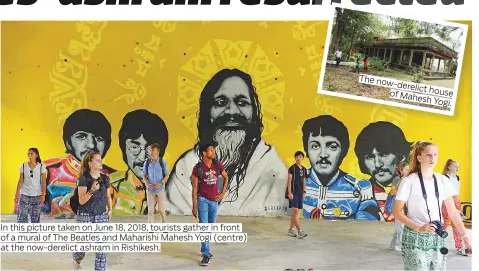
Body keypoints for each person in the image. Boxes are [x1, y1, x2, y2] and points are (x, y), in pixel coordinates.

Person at [167, 68, 287, 217]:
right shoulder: (186, 165)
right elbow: (176, 216)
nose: (231, 111)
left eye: (242, 102)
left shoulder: (272, 169)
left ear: (254, 113)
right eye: (221, 102)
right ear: (207, 112)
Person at [394, 141, 472, 271]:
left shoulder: (443, 180)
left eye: (435, 155)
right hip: (415, 237)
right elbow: (397, 212)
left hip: (437, 236)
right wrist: (419, 227)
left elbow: (453, 212)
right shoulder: (409, 181)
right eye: (428, 155)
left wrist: (466, 238)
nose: (432, 158)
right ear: (419, 158)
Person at [301, 115, 381, 220]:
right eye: (315, 146)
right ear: (306, 150)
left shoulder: (361, 188)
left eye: (332, 147)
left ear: (343, 151)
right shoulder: (296, 180)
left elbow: (366, 226)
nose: (323, 154)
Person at [41, 109, 116, 218]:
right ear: (68, 142)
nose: (91, 144)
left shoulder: (116, 178)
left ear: (107, 145)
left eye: (98, 138)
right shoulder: (46, 170)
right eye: (81, 136)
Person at [110, 109, 169, 215]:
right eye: (134, 147)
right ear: (124, 148)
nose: (142, 158)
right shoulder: (110, 186)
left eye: (150, 149)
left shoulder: (171, 188)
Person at [354, 121, 412, 221]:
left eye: (384, 154)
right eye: (370, 157)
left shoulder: (412, 187)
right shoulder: (360, 191)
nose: (377, 164)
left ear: (401, 156)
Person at [73, 151, 113, 271]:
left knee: (101, 249)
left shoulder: (105, 178)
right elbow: (81, 201)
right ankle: (77, 262)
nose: (101, 162)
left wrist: (110, 209)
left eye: (101, 159)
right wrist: (91, 190)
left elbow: (108, 196)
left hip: (101, 215)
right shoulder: (84, 179)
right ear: (90, 163)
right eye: (97, 160)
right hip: (85, 215)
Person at [191, 143, 229, 266]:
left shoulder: (217, 165)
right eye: (211, 150)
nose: (213, 152)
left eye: (214, 150)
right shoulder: (198, 168)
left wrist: (222, 193)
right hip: (202, 200)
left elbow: (226, 177)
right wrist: (194, 206)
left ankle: (204, 249)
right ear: (204, 152)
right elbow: (195, 188)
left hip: (214, 201)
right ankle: (206, 254)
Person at [441, 159, 467, 256]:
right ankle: (438, 244)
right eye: (455, 166)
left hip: (456, 201)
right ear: (449, 167)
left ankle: (459, 247)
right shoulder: (444, 177)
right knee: (443, 225)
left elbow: (457, 191)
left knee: (457, 225)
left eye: (458, 166)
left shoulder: (457, 177)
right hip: (447, 201)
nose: (457, 168)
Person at [14, 148, 47, 223]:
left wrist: (43, 195)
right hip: (24, 194)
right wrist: (17, 194)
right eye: (28, 154)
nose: (29, 155)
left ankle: (34, 234)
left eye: (32, 154)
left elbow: (44, 182)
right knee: (21, 217)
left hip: (36, 195)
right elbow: (20, 181)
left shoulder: (42, 167)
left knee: (35, 218)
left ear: (36, 155)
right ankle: (22, 233)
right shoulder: (23, 165)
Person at [143, 143, 170, 223]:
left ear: (158, 152)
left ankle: (164, 224)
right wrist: (146, 184)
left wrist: (160, 183)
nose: (151, 152)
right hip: (150, 190)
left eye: (153, 150)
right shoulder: (147, 163)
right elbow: (144, 176)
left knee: (161, 210)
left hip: (160, 190)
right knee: (150, 210)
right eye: (150, 150)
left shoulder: (162, 162)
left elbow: (167, 175)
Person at [388, 162, 409, 252]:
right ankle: (401, 246)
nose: (408, 170)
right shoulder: (397, 179)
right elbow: (392, 192)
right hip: (398, 206)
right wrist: (401, 186)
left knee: (399, 227)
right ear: (401, 170)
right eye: (406, 169)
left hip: (406, 206)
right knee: (401, 227)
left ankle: (393, 244)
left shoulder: (409, 179)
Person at [286, 151, 308, 238]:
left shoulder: (304, 169)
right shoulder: (292, 168)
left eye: (300, 157)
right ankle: (300, 231)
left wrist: (304, 191)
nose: (299, 158)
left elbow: (304, 181)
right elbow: (289, 181)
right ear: (295, 158)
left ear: (303, 158)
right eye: (297, 157)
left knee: (295, 213)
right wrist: (289, 193)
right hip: (293, 193)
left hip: (300, 193)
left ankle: (290, 230)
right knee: (295, 211)